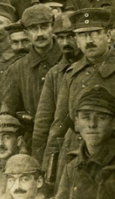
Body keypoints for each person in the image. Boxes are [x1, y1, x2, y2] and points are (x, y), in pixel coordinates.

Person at [46, 8, 115, 179]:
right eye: (82, 35)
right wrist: (49, 166)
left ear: (108, 35)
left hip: (113, 159)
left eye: (94, 33)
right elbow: (59, 124)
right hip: (74, 157)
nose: (88, 41)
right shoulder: (71, 74)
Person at [32, 12, 84, 168]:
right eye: (60, 38)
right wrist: (41, 162)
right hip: (65, 148)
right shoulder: (54, 74)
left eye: (71, 36)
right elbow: (43, 121)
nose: (66, 42)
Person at [0, 4, 63, 129]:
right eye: (33, 28)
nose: (40, 34)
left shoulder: (69, 61)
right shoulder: (17, 69)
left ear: (52, 27)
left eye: (44, 27)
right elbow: (8, 111)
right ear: (26, 33)